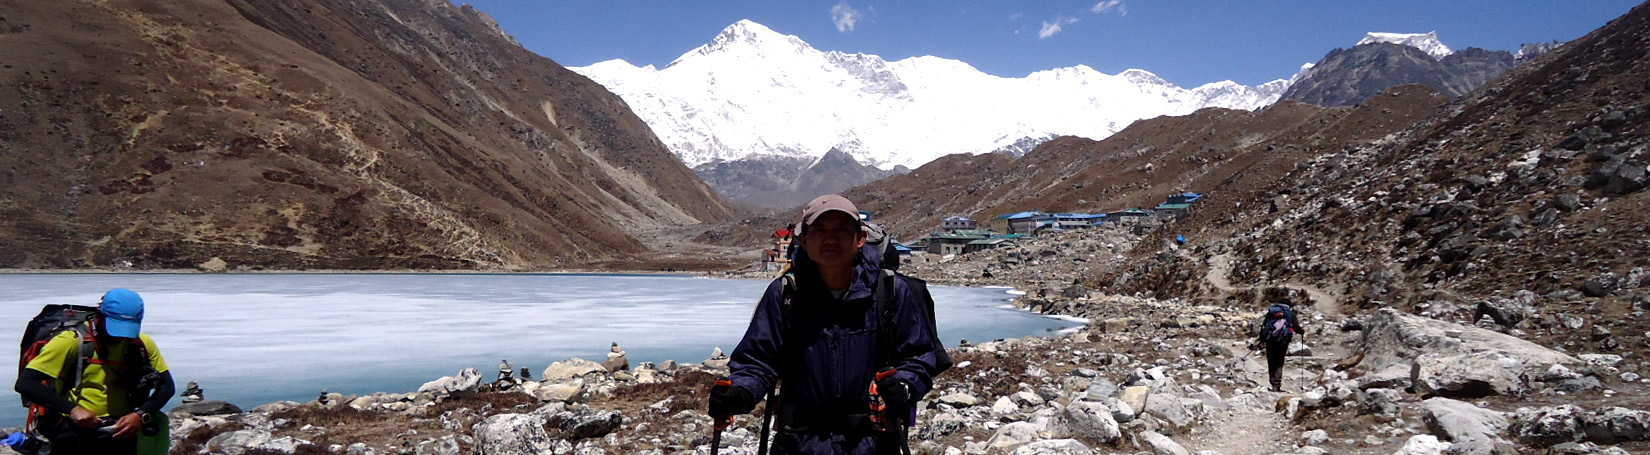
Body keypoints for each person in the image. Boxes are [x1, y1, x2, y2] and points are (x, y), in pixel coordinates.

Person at [711, 194, 947, 455]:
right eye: (820, 230)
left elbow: (918, 356)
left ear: (860, 239)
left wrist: (904, 384)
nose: (831, 239)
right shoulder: (785, 294)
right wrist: (740, 393)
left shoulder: (891, 291)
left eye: (842, 230)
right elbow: (758, 361)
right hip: (799, 444)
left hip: (873, 443)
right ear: (804, 240)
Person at [15, 288, 174, 455]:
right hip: (74, 432)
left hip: (122, 431)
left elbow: (167, 387)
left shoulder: (141, 344)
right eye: (116, 328)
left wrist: (141, 415)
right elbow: (27, 383)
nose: (121, 336)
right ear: (100, 315)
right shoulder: (70, 342)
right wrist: (72, 409)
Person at [1252, 300, 1304, 392]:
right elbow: (1296, 327)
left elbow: (1264, 326)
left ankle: (1273, 383)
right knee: (1279, 361)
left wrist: (1262, 339)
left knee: (1271, 361)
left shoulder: (1271, 312)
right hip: (1283, 341)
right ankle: (1277, 384)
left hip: (1271, 340)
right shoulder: (1289, 312)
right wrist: (1301, 331)